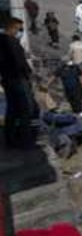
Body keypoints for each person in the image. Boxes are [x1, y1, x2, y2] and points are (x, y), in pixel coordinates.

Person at [0, 17, 38, 149]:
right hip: (18, 79)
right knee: (26, 109)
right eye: (19, 28)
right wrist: (30, 74)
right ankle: (26, 140)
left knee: (12, 109)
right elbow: (20, 62)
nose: (19, 31)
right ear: (12, 28)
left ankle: (10, 139)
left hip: (7, 79)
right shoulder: (12, 42)